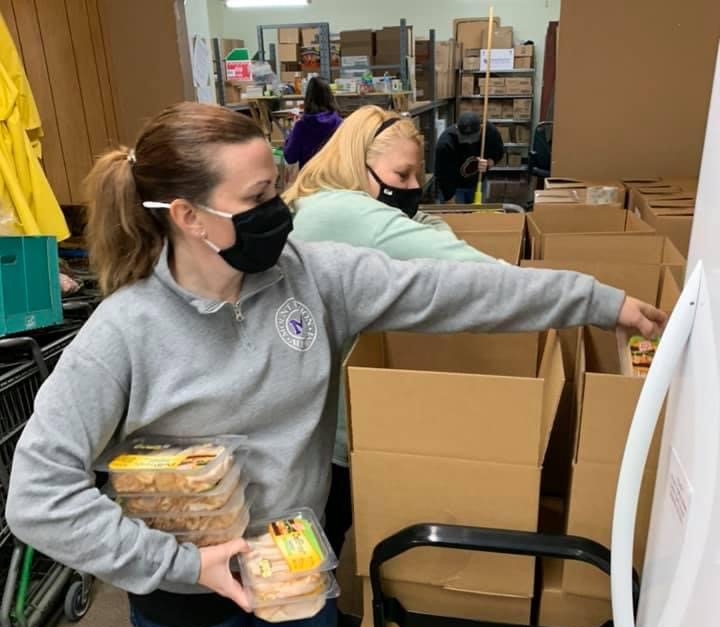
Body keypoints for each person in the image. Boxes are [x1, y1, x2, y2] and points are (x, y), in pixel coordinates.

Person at [6, 102, 665, 627]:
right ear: (188, 217)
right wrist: (177, 562)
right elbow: (37, 497)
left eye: (279, 189)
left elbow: (458, 290)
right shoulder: (121, 333)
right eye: (259, 197)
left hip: (298, 575)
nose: (280, 213)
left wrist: (599, 301)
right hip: (186, 602)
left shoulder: (316, 279)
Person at [285, 105, 502, 558]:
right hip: (315, 425)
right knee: (313, 542)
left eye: (414, 179)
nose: (409, 189)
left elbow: (420, 230)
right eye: (400, 175)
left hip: (314, 414)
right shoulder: (343, 213)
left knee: (321, 532)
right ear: (356, 163)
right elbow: (470, 269)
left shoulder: (324, 201)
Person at [434, 111, 504, 204]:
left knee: (477, 216)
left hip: (478, 184)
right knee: (457, 217)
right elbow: (443, 176)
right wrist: (449, 200)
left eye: (473, 138)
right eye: (464, 138)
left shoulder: (490, 132)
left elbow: (498, 153)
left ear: (481, 128)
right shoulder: (445, 144)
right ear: (457, 128)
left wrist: (488, 163)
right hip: (455, 188)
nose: (469, 142)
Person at [283, 77, 343, 169]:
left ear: (308, 98)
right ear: (330, 96)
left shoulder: (301, 127)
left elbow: (290, 157)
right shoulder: (340, 124)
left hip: (309, 179)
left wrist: (292, 132)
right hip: (334, 178)